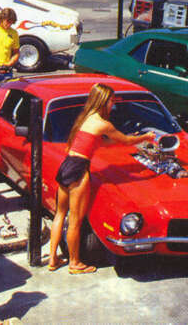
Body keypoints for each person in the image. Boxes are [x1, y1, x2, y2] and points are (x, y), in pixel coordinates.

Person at [47, 83, 156, 274]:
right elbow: (126, 141)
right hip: (80, 169)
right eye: (112, 100)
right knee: (75, 222)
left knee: (59, 214)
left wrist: (129, 139)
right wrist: (146, 136)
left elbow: (102, 143)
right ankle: (74, 263)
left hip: (66, 165)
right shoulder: (104, 124)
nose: (113, 105)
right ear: (104, 101)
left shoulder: (86, 118)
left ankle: (53, 259)